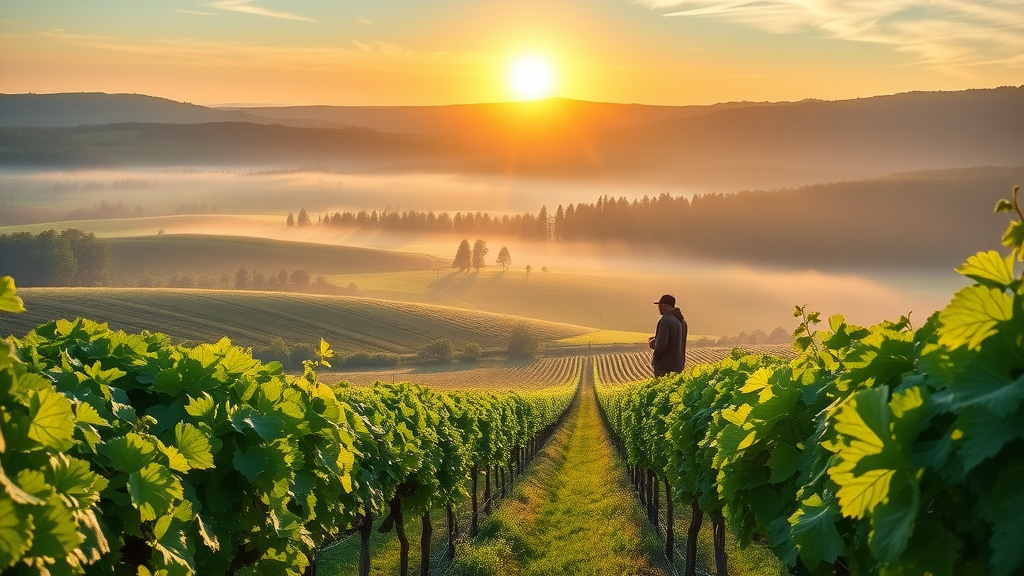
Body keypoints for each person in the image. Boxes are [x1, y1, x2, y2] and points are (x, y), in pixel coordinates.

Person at [648, 294, 687, 377]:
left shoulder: (665, 320)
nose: (658, 308)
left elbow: (661, 345)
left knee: (662, 388)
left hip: (665, 366)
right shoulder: (682, 322)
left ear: (665, 306)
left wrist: (655, 353)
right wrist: (657, 339)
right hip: (678, 365)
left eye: (659, 305)